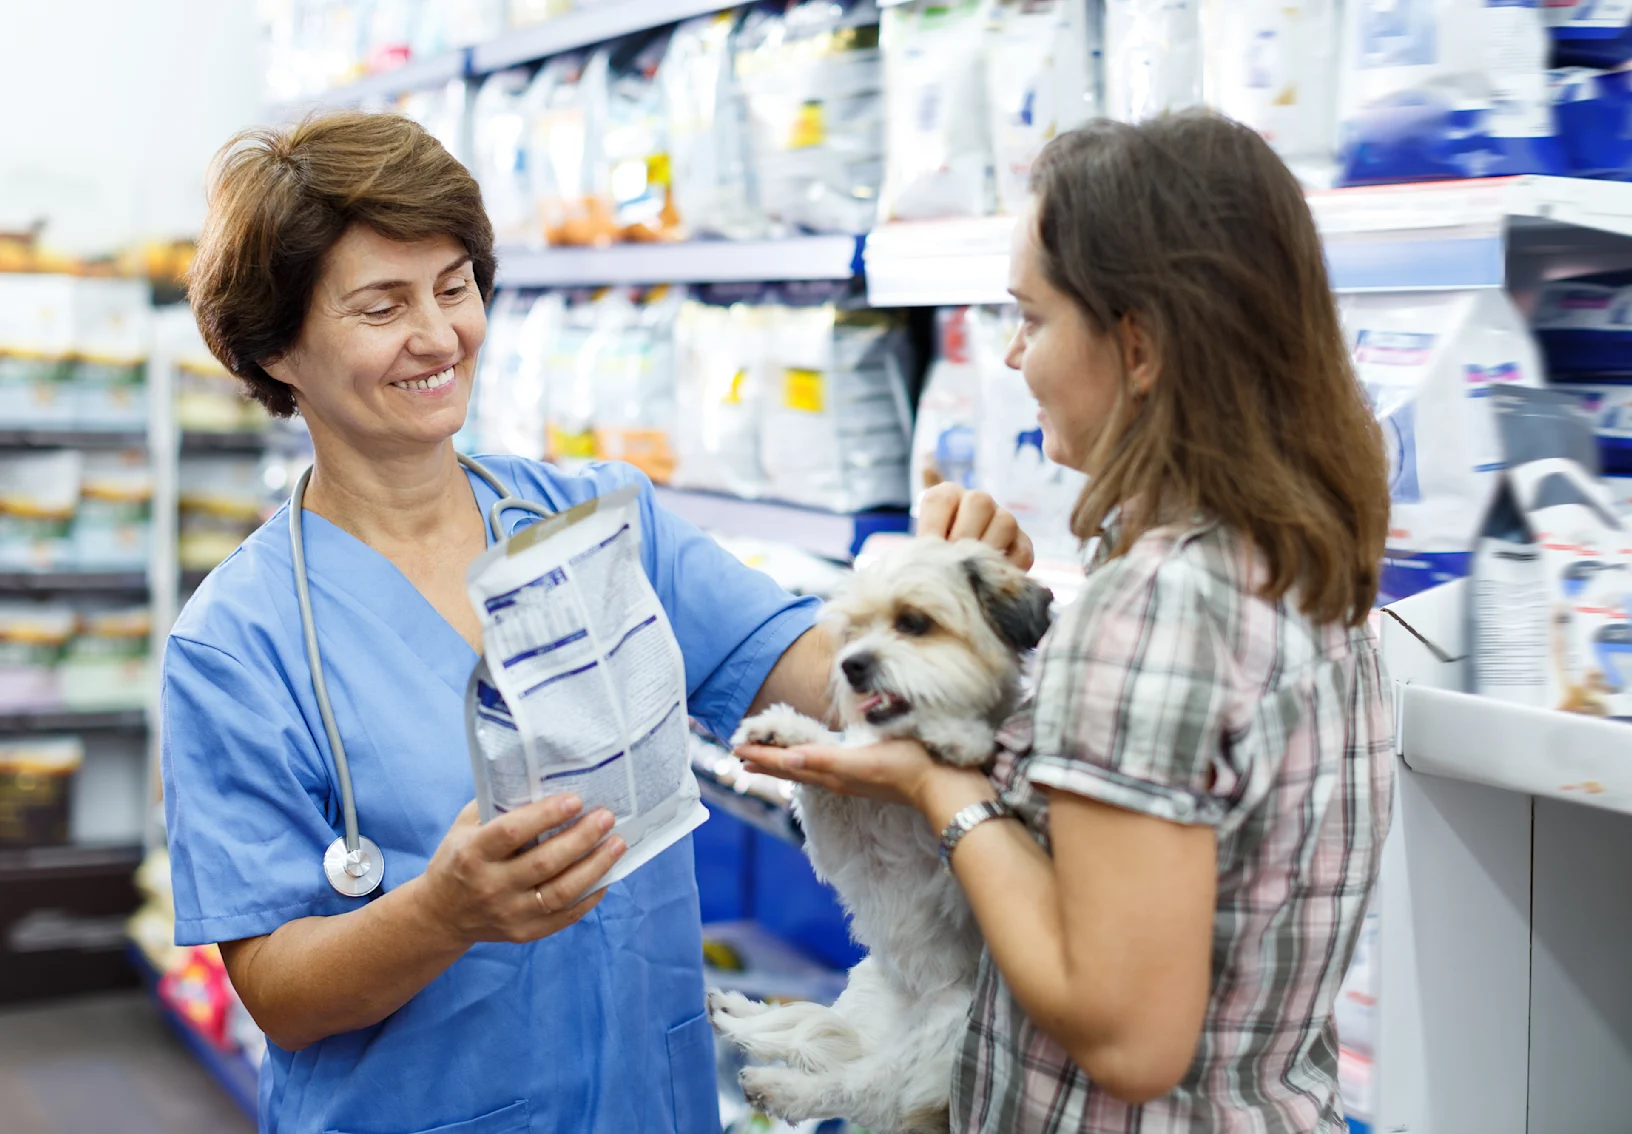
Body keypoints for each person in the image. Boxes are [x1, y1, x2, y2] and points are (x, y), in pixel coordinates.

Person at [165, 110, 1030, 1134]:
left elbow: (824, 675)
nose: (439, 336)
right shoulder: (236, 646)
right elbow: (281, 990)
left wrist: (938, 609)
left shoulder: (602, 525)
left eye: (455, 286)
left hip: (645, 1104)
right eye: (381, 306)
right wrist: (441, 915)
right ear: (276, 348)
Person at [741, 110, 1395, 1132]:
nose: (1011, 358)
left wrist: (939, 785)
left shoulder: (1155, 616)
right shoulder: (1310, 567)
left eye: (1033, 319)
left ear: (1136, 344)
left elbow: (1126, 1036)